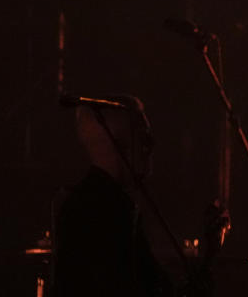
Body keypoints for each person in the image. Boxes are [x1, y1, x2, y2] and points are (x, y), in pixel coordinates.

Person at [49, 95, 173, 297]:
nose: (151, 146)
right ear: (120, 144)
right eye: (145, 138)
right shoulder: (106, 213)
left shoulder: (98, 205)